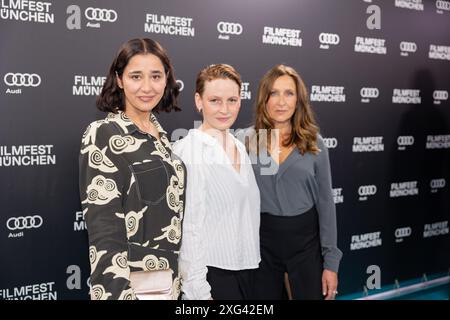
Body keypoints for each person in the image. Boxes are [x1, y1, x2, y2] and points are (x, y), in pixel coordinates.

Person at [79, 38, 186, 300]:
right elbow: (104, 230)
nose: (147, 87)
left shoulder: (162, 137)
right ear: (119, 79)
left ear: (166, 79)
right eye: (136, 76)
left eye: (156, 76)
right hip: (130, 288)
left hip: (169, 284)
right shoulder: (103, 134)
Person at [249, 64, 342, 300]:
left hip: (306, 245)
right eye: (274, 93)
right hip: (262, 245)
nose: (281, 102)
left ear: (298, 99)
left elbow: (326, 204)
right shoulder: (248, 140)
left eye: (289, 93)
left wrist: (330, 263)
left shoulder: (314, 143)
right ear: (264, 98)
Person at [173, 64, 260, 300]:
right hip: (212, 279)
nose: (225, 109)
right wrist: (199, 293)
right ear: (198, 101)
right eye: (215, 100)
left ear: (241, 101)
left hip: (246, 271)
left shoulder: (239, 146)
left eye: (232, 100)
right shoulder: (189, 151)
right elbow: (189, 229)